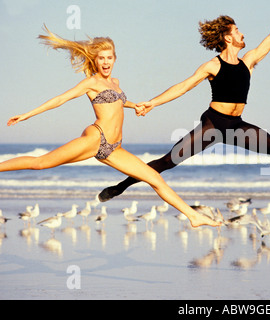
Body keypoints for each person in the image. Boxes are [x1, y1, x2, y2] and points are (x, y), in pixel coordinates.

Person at [98, 0, 270, 202]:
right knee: (168, 161)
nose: (243, 35)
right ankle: (120, 186)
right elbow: (184, 86)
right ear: (228, 37)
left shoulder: (248, 61)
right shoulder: (213, 64)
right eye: (238, 31)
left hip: (236, 125)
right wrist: (152, 103)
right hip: (213, 123)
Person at [2, 26, 220, 228]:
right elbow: (61, 99)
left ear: (114, 59)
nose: (105, 62)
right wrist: (28, 115)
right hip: (96, 138)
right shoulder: (92, 83)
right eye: (101, 59)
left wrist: (136, 105)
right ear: (95, 61)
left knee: (155, 178)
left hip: (114, 147)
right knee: (42, 163)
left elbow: (117, 102)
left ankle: (193, 216)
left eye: (109, 58)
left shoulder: (115, 82)